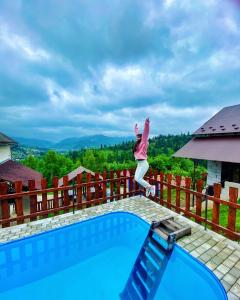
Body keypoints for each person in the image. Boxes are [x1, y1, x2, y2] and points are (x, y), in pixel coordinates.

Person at [133, 117, 155, 197]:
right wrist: (135, 129)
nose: (136, 139)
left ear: (142, 138)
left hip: (143, 163)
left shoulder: (144, 142)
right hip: (139, 163)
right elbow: (137, 135)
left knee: (138, 178)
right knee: (136, 178)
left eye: (138, 138)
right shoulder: (138, 143)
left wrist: (146, 123)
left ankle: (150, 187)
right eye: (136, 138)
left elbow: (146, 132)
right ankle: (148, 187)